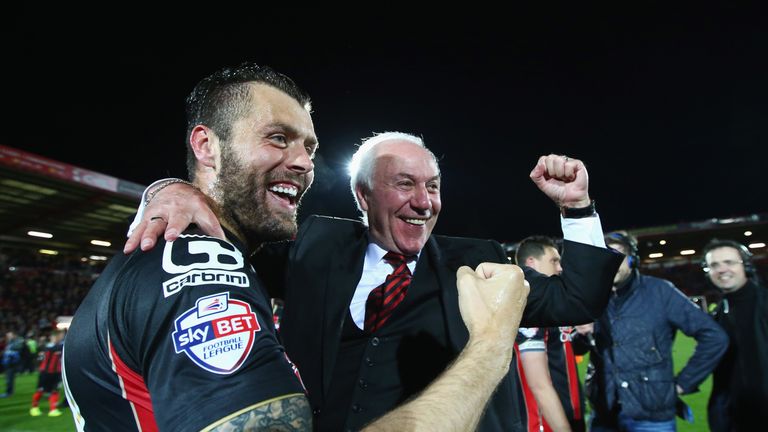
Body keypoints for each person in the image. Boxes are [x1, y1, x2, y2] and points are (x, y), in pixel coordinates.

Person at [62, 62, 532, 432]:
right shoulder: (203, 271)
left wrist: (166, 187)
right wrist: (491, 347)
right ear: (206, 145)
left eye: (308, 147)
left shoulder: (183, 254)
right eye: (278, 138)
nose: (303, 163)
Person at [127, 125, 623, 431]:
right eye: (404, 184)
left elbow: (578, 299)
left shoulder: (478, 262)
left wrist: (576, 208)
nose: (424, 202)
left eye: (432, 186)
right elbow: (226, 240)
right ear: (363, 197)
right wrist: (169, 188)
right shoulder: (313, 246)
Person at [578, 231, 728, 432]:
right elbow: (576, 350)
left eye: (616, 256)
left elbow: (714, 336)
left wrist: (684, 383)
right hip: (603, 413)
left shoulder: (660, 291)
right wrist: (579, 335)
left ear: (632, 260)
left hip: (652, 414)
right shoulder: (591, 298)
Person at [515, 235, 585, 432]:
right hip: (545, 423)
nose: (560, 267)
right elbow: (539, 384)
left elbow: (563, 353)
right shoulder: (529, 307)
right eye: (554, 261)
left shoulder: (552, 302)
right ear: (531, 263)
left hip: (569, 411)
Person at [702, 239, 768, 432]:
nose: (722, 269)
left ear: (745, 266)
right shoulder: (719, 312)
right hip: (735, 418)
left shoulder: (764, 302)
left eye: (729, 262)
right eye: (714, 265)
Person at [30, 330, 65, 417]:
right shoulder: (48, 347)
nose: (61, 337)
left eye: (61, 336)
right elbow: (49, 351)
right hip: (45, 373)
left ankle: (53, 410)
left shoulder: (59, 346)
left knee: (55, 390)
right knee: (40, 390)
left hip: (57, 373)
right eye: (59, 336)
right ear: (53, 337)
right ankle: (34, 408)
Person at [1, 330, 27, 398]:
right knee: (8, 378)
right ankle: (10, 391)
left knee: (9, 378)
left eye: (10, 335)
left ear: (14, 335)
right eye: (8, 335)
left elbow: (18, 349)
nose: (8, 336)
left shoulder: (18, 341)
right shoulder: (10, 342)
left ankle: (8, 392)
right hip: (8, 362)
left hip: (12, 363)